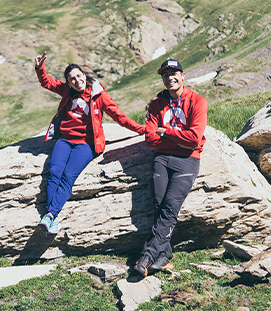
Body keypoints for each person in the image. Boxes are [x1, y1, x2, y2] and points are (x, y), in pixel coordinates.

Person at [34, 53, 145, 235]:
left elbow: (120, 117)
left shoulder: (98, 95)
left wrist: (143, 130)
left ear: (84, 75)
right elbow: (47, 82)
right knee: (54, 171)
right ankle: (49, 217)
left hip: (86, 144)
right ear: (68, 83)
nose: (77, 81)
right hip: (65, 140)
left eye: (79, 76)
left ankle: (50, 215)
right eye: (72, 79)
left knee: (68, 176)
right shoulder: (66, 92)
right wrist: (40, 68)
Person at [134, 59, 207, 276]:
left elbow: (194, 140)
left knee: (170, 206)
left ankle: (147, 255)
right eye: (165, 75)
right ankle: (164, 255)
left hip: (188, 159)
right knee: (159, 205)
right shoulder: (157, 104)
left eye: (174, 73)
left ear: (183, 76)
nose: (170, 78)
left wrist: (166, 132)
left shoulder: (197, 101)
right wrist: (177, 138)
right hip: (163, 158)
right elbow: (149, 139)